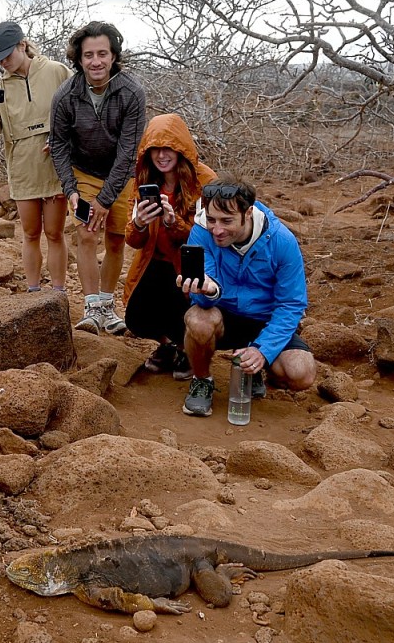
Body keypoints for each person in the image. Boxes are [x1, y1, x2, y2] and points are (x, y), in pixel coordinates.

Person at [177, 175, 317, 417]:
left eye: (226, 221)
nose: (217, 230)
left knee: (300, 373)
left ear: (248, 213)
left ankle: (256, 370)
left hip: (263, 319)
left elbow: (291, 304)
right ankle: (202, 379)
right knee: (198, 320)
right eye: (211, 219)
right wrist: (209, 291)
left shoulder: (281, 241)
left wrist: (263, 350)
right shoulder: (201, 231)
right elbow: (202, 295)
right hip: (223, 313)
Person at [49, 21, 147, 334]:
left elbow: (129, 151)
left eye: (102, 54)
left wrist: (105, 200)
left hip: (122, 174)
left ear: (113, 56)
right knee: (87, 234)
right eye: (88, 55)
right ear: (79, 59)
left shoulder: (132, 92)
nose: (96, 62)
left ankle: (107, 305)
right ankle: (91, 308)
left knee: (117, 238)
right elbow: (58, 145)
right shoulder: (65, 95)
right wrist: (70, 188)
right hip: (83, 171)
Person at [0, 21, 74, 292]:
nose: (3, 62)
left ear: (22, 45)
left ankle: (58, 293)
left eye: (7, 55)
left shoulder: (57, 72)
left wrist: (64, 137)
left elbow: (79, 111)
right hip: (23, 169)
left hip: (55, 166)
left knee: (55, 233)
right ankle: (33, 292)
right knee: (30, 233)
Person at [121, 114, 217, 377]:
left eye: (168, 148)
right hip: (154, 261)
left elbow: (214, 236)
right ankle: (169, 345)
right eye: (155, 149)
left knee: (185, 305)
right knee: (135, 317)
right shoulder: (144, 179)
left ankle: (189, 349)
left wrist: (174, 223)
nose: (162, 156)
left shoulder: (205, 180)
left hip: (191, 264)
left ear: (181, 148)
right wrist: (139, 223)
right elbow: (133, 240)